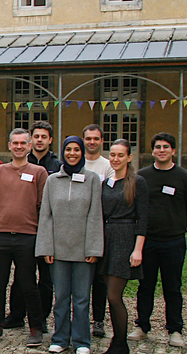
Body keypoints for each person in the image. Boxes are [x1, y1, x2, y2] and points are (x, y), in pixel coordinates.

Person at [36, 136, 104, 354]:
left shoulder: (92, 179)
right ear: (63, 152)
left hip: (83, 250)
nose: (72, 153)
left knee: (82, 298)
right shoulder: (52, 180)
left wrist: (93, 249)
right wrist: (46, 247)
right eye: (68, 150)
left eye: (76, 150)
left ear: (82, 152)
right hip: (58, 249)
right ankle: (60, 338)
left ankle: (82, 340)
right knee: (61, 297)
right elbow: (46, 215)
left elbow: (95, 215)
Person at [130, 132, 187, 348]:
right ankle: (142, 326)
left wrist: (177, 224)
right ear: (152, 151)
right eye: (158, 147)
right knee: (145, 285)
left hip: (173, 241)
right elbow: (135, 205)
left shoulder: (184, 177)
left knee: (173, 287)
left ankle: (175, 329)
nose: (162, 150)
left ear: (173, 151)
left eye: (166, 147)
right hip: (148, 240)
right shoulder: (142, 176)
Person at [0, 128, 48, 347]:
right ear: (9, 146)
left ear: (29, 146)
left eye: (23, 143)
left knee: (28, 284)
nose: (19, 146)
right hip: (0, 236)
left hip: (27, 237)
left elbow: (43, 207)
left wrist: (41, 236)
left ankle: (35, 327)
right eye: (15, 143)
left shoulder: (39, 172)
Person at [4, 121, 60, 331]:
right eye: (36, 136)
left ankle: (41, 317)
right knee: (21, 275)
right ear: (31, 141)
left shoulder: (57, 165)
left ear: (50, 140)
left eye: (43, 137)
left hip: (46, 228)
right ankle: (16, 314)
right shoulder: (20, 163)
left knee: (46, 277)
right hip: (24, 229)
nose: (39, 140)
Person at [98, 139, 148, 354]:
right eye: (112, 155)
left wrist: (138, 249)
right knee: (109, 294)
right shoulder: (106, 183)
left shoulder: (137, 182)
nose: (116, 159)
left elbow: (143, 218)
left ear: (129, 157)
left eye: (120, 155)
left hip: (125, 239)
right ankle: (117, 340)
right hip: (106, 239)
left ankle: (120, 343)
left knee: (114, 295)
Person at [82, 123, 116, 338]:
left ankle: (99, 319)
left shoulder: (108, 166)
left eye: (96, 138)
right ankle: (79, 317)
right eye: (88, 138)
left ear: (102, 141)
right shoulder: (76, 163)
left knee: (99, 279)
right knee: (80, 277)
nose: (92, 142)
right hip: (78, 228)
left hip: (101, 227)